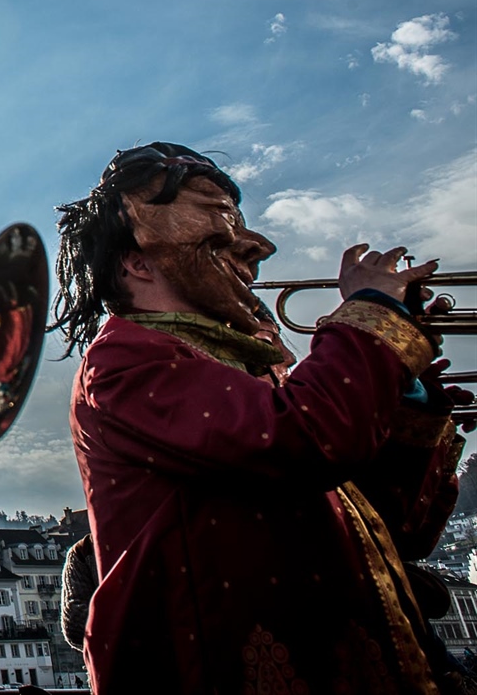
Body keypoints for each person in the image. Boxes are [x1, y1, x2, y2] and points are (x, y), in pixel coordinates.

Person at [54, 141, 470, 693]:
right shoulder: (125, 361)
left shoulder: (252, 370)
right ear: (137, 259)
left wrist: (402, 391)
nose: (258, 247)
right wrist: (371, 322)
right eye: (218, 226)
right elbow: (304, 441)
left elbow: (396, 530)